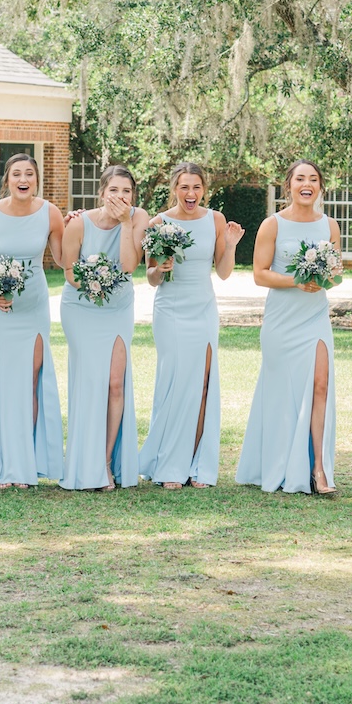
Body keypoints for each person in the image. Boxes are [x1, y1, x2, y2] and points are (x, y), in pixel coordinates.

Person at [139, 162, 244, 489]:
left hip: (203, 309)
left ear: (204, 189)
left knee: (202, 385)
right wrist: (161, 268)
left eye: (196, 187)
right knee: (174, 384)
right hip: (170, 311)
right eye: (184, 187)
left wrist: (231, 244)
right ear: (175, 188)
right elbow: (151, 277)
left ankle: (199, 466)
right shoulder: (158, 222)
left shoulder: (215, 220)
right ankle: (169, 465)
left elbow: (224, 272)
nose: (190, 193)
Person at [236, 159, 339, 495]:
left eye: (313, 178)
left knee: (320, 385)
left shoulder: (330, 225)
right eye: (300, 179)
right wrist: (297, 280)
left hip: (315, 317)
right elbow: (259, 273)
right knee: (282, 394)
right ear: (289, 185)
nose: (306, 184)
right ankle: (280, 466)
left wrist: (325, 278)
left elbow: (336, 274)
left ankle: (319, 469)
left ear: (320, 186)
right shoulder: (273, 224)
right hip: (282, 319)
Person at [0, 153, 65, 488]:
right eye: (17, 173)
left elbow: (64, 258)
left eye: (30, 174)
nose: (24, 179)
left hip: (34, 306)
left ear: (37, 180)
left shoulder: (50, 212)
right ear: (7, 179)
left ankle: (25, 463)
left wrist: (75, 223)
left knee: (31, 379)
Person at [58, 164, 148, 491]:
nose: (120, 197)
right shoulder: (79, 224)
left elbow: (127, 265)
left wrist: (125, 223)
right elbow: (69, 272)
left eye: (127, 191)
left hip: (118, 309)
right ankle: (85, 462)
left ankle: (106, 462)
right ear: (102, 192)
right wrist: (94, 284)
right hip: (81, 308)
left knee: (115, 383)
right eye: (114, 190)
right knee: (90, 383)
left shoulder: (138, 218)